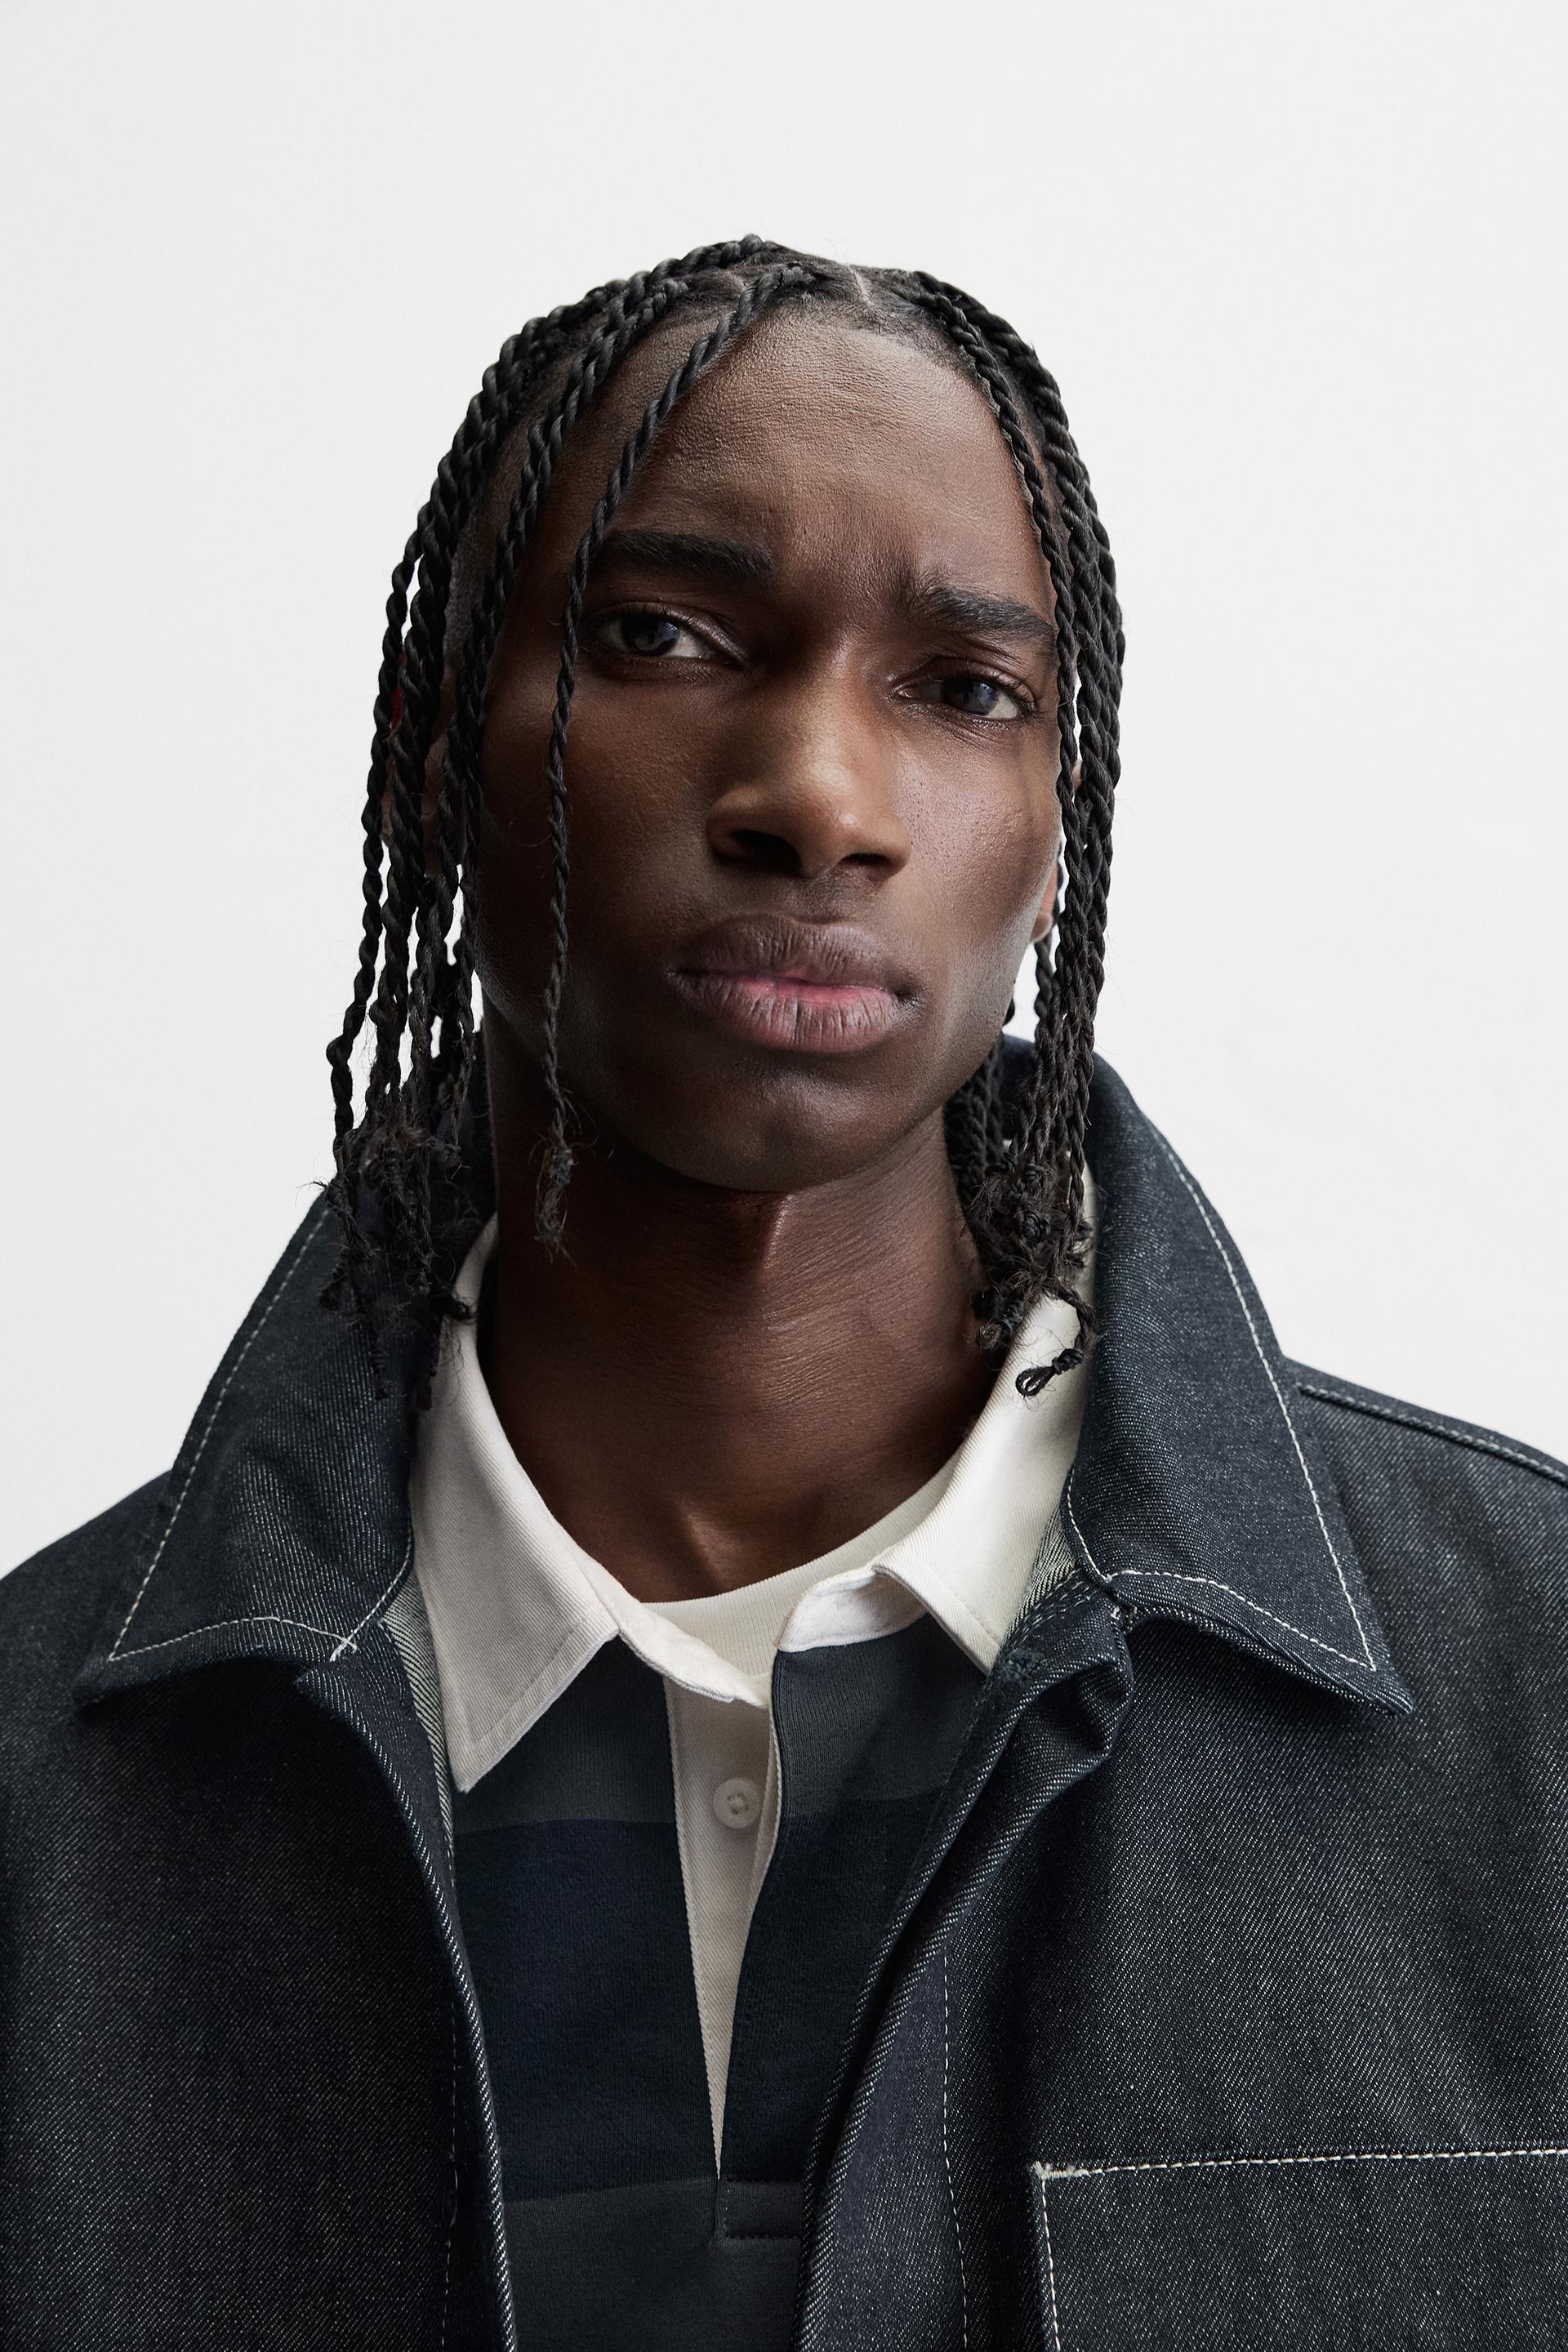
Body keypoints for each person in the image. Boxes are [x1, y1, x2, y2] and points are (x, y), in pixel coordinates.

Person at [2, 237, 1564, 2352]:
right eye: (661, 634)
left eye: (965, 688)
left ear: (1056, 825)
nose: (820, 800)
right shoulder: (43, 1797)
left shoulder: (1536, 1702)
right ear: (433, 746)